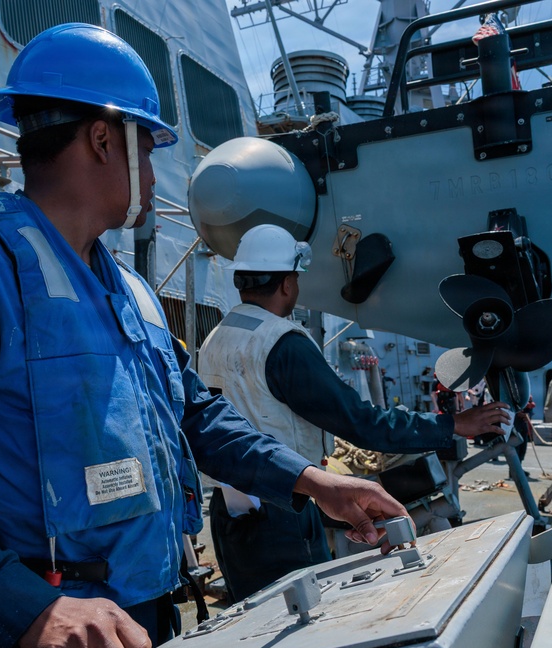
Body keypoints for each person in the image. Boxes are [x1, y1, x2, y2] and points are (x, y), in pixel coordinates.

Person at [0, 24, 409, 648]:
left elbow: (193, 414)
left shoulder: (131, 290)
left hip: (142, 626)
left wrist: (314, 482)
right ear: (104, 138)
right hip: (28, 640)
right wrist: (21, 604)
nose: (154, 174)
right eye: (147, 149)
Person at [197, 224, 511, 602]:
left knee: (254, 623)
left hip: (230, 516)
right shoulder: (280, 343)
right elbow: (362, 423)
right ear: (286, 284)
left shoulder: (216, 337)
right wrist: (453, 424)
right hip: (282, 511)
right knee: (301, 627)